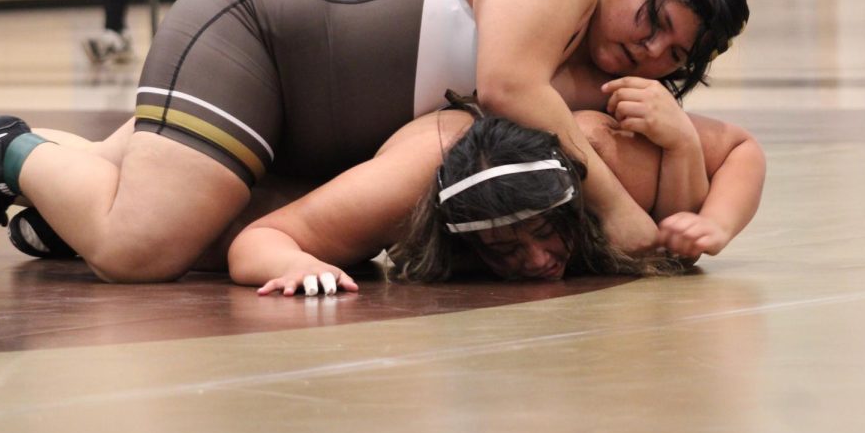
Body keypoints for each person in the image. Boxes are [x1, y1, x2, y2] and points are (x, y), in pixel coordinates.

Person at [0, 0, 748, 283]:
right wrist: (621, 210)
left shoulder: (608, 70)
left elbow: (720, 156)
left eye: (675, 50)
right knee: (144, 244)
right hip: (264, 43)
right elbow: (508, 85)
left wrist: (674, 149)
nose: (649, 45)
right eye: (655, 10)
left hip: (309, 115)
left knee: (151, 196)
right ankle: (10, 154)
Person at [228, 86, 765, 296]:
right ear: (459, 240)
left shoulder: (606, 154)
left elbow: (741, 149)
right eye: (504, 248)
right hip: (298, 125)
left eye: (544, 233)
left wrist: (716, 219)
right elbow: (260, 237)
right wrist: (295, 263)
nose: (536, 260)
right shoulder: (405, 190)